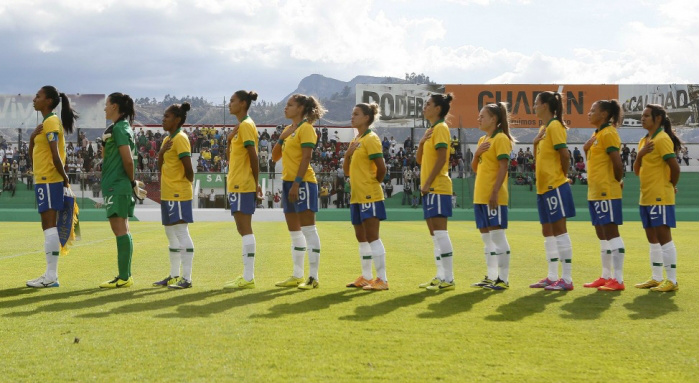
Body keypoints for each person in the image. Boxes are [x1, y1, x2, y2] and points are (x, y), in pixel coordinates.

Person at [25, 86, 77, 288]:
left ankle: (51, 276)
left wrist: (64, 178)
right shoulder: (46, 123)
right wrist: (31, 139)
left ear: (48, 101)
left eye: (38, 96)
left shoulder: (52, 122)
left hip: (49, 179)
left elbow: (56, 156)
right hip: (43, 179)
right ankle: (50, 275)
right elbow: (36, 156)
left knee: (49, 227)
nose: (34, 98)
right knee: (47, 226)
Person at [272, 94, 324, 290]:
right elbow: (275, 157)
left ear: (301, 108)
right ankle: (296, 274)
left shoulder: (307, 128)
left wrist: (297, 183)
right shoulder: (287, 130)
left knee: (309, 230)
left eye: (290, 105)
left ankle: (313, 277)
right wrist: (281, 138)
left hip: (303, 183)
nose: (286, 108)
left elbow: (306, 158)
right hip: (287, 182)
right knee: (294, 232)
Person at [529, 91, 576, 291]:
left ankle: (566, 279)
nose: (534, 106)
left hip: (554, 186)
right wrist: (534, 142)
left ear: (545, 105)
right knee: (547, 231)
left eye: (536, 103)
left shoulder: (555, 126)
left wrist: (561, 177)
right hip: (543, 188)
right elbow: (539, 158)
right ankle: (551, 276)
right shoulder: (544, 128)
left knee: (559, 230)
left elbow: (564, 154)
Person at [99, 92, 145, 288]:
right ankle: (125, 275)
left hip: (117, 184)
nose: (105, 108)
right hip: (118, 184)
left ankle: (124, 277)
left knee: (119, 229)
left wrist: (132, 180)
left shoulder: (119, 128)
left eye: (107, 104)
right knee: (124, 229)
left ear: (115, 106)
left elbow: (127, 158)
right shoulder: (121, 127)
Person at [634, 104, 681, 292]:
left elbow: (675, 167)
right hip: (645, 196)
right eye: (642, 116)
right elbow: (637, 171)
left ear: (658, 118)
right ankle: (656, 277)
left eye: (646, 115)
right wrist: (640, 155)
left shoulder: (662, 139)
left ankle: (672, 280)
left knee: (664, 239)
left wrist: (669, 185)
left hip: (659, 196)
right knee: (652, 239)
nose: (642, 118)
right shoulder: (644, 141)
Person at [582, 100, 626, 291]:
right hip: (595, 191)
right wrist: (585, 150)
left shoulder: (608, 133)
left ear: (604, 114)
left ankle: (619, 279)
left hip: (606, 191)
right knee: (602, 234)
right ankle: (605, 276)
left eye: (593, 110)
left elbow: (617, 163)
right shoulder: (597, 134)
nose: (589, 113)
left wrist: (616, 182)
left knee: (611, 232)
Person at [343, 102, 388, 290]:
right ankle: (367, 277)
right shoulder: (356, 140)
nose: (352, 117)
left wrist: (371, 184)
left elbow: (382, 168)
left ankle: (382, 280)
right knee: (361, 237)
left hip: (369, 195)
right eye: (352, 113)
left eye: (356, 114)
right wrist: (347, 155)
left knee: (372, 237)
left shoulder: (371, 139)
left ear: (367, 118)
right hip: (356, 196)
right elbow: (346, 170)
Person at [151, 102, 196, 289]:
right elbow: (159, 164)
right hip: (168, 193)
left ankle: (187, 278)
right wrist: (161, 152)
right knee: (170, 234)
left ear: (177, 120)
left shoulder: (180, 138)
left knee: (181, 232)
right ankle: (174, 275)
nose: (163, 119)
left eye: (167, 116)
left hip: (178, 193)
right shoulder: (167, 140)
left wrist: (181, 185)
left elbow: (189, 170)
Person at [470, 103, 514, 291]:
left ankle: (503, 279)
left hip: (493, 196)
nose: (479, 119)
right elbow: (475, 168)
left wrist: (495, 192)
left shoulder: (501, 138)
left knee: (497, 236)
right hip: (480, 196)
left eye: (482, 116)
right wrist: (476, 154)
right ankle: (491, 276)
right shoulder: (483, 140)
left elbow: (503, 167)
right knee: (487, 239)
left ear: (494, 119)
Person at [417, 93, 455, 291]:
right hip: (430, 188)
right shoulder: (432, 130)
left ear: (438, 109)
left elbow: (442, 160)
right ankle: (440, 275)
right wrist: (422, 142)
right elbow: (419, 160)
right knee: (434, 235)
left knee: (440, 233)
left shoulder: (441, 128)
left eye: (428, 104)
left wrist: (427, 183)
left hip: (438, 187)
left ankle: (448, 278)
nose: (425, 107)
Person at [222, 90, 260, 289]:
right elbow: (233, 159)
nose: (229, 104)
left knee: (244, 228)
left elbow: (253, 157)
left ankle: (248, 277)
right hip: (237, 182)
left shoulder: (246, 125)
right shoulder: (241, 127)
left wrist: (255, 183)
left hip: (243, 184)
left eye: (232, 101)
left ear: (243, 103)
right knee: (241, 228)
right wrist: (228, 141)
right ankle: (246, 276)